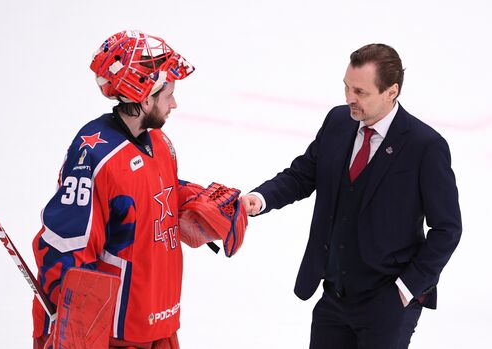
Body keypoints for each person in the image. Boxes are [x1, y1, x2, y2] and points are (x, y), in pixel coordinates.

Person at [31, 29, 245, 349]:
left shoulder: (160, 143)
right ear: (145, 95)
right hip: (113, 334)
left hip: (160, 322)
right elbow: (69, 244)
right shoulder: (94, 156)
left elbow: (155, 192)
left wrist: (195, 203)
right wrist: (72, 328)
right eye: (168, 93)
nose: (174, 102)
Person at [241, 43, 462, 348]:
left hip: (387, 303)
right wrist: (261, 198)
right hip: (334, 296)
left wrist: (407, 287)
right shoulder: (338, 122)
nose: (349, 99)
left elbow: (447, 229)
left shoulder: (425, 146)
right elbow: (303, 174)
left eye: (360, 92)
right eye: (346, 87)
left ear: (391, 91)